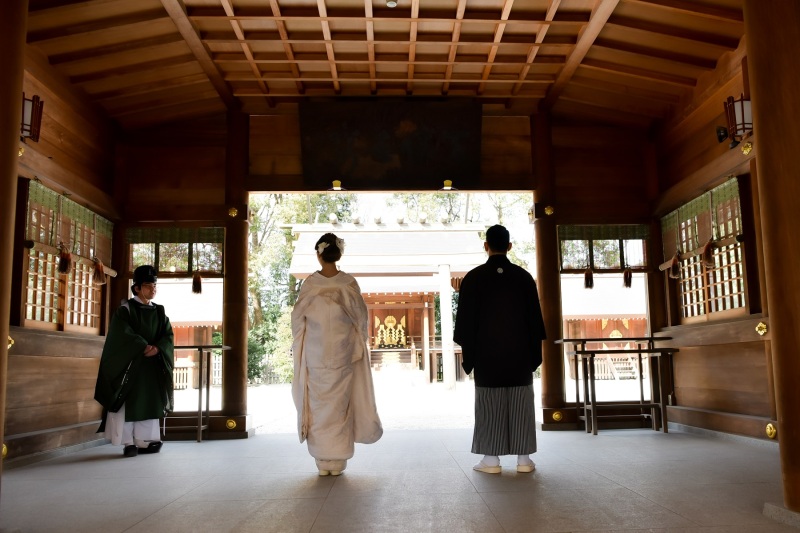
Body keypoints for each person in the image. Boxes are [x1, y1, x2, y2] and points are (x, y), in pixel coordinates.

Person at [454, 224, 546, 474]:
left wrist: (471, 355)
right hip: (519, 357)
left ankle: (491, 460)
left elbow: (465, 323)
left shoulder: (473, 278)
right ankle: (524, 460)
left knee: (489, 405)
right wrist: (532, 356)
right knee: (521, 405)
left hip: (487, 357)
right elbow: (535, 322)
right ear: (509, 246)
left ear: (486, 246)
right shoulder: (524, 277)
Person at [291, 233, 383, 476]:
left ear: (319, 254)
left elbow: (298, 319)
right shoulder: (348, 283)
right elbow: (360, 319)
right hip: (342, 354)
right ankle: (338, 461)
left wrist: (300, 344)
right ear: (338, 254)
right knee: (340, 405)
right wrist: (357, 342)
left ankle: (322, 460)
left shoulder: (311, 284)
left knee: (319, 406)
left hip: (316, 354)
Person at [94, 265, 174, 457]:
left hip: (152, 365)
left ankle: (145, 440)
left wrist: (157, 348)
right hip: (130, 366)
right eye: (148, 285)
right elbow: (121, 334)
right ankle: (128, 442)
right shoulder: (126, 310)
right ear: (137, 287)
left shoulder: (159, 312)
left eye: (154, 285)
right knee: (127, 401)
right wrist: (142, 346)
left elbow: (168, 335)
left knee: (149, 400)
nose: (153, 289)